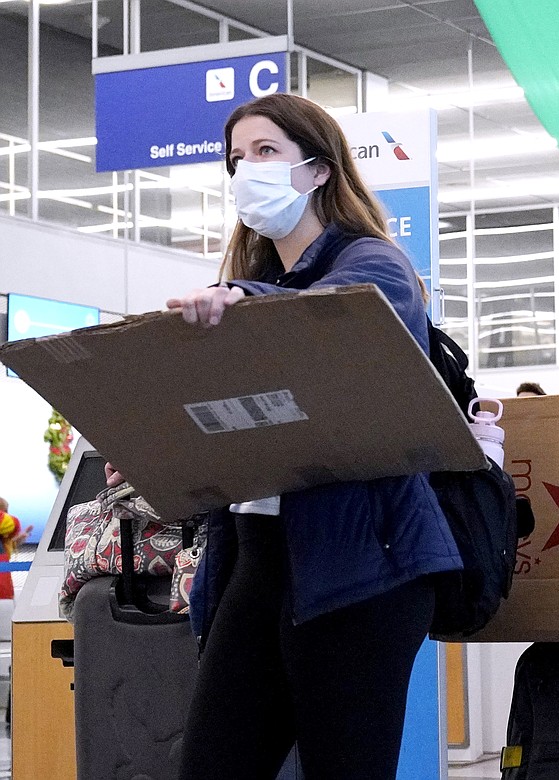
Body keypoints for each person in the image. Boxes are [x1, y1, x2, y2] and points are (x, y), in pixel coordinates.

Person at [163, 93, 460, 780]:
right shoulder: (253, 282)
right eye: (237, 158)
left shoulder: (373, 263)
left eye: (266, 152)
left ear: (319, 170)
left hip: (361, 564)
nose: (247, 170)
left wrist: (244, 304)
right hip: (258, 560)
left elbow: (341, 313)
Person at [0, 497, 30, 600]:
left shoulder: (3, 537)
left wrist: (17, 539)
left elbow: (6, 546)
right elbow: (13, 525)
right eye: (5, 511)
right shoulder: (6, 522)